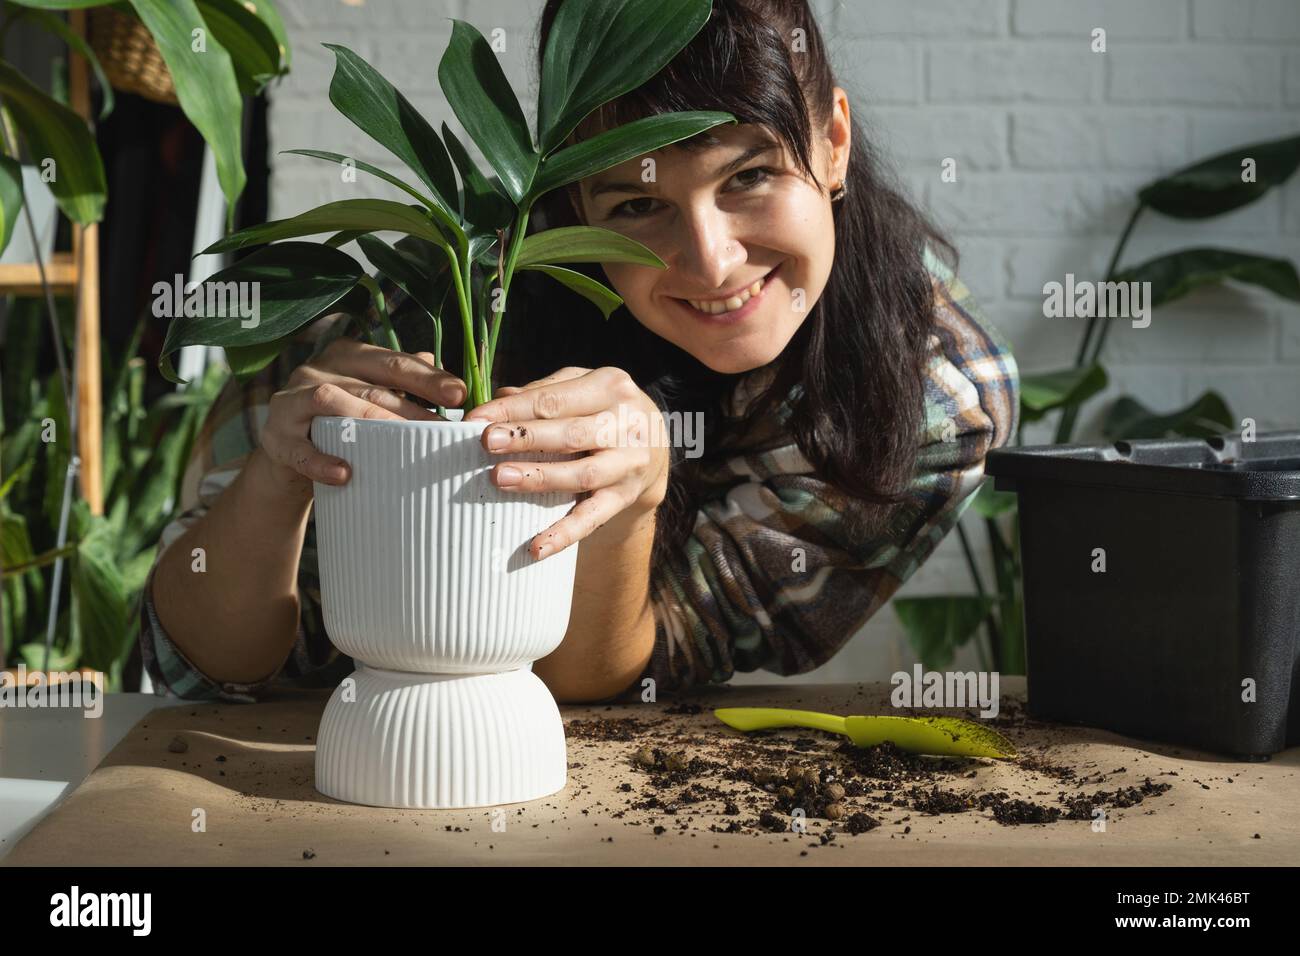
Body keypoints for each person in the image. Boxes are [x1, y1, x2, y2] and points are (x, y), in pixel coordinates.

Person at [139, 0, 1019, 705]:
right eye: (637, 207)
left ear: (831, 142)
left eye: (747, 177)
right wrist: (279, 473)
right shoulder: (425, 305)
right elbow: (199, 665)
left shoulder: (930, 398)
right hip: (311, 764)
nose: (711, 261)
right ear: (567, 210)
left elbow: (625, 681)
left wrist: (631, 499)